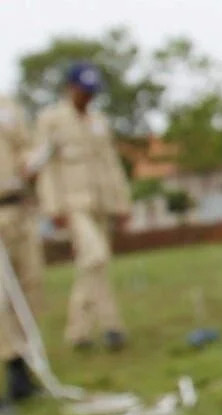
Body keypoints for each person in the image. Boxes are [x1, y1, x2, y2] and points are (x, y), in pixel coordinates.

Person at [36, 61, 130, 352]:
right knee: (96, 256)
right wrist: (53, 208)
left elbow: (111, 165)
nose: (87, 97)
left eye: (91, 92)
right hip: (73, 205)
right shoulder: (51, 120)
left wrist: (122, 202)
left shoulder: (99, 122)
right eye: (82, 91)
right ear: (70, 88)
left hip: (101, 204)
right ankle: (111, 325)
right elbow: (46, 166)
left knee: (92, 264)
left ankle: (81, 331)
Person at [0, 93, 44, 415]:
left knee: (29, 287)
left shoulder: (8, 105)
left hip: (18, 207)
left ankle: (23, 370)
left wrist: (31, 160)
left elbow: (25, 145)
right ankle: (13, 365)